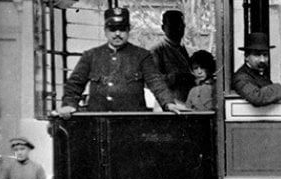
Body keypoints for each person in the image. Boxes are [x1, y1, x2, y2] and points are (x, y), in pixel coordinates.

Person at [58, 7, 186, 117]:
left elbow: (156, 82)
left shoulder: (142, 56)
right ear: (105, 31)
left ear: (128, 29)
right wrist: (69, 105)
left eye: (122, 29)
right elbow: (74, 85)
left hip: (132, 123)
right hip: (99, 122)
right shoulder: (91, 56)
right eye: (113, 29)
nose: (117, 34)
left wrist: (168, 103)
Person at [231, 32, 281, 106]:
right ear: (246, 56)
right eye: (257, 55)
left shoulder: (260, 74)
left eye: (265, 55)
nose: (262, 60)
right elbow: (257, 97)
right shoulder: (241, 77)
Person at [150, 10, 194, 103]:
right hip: (169, 104)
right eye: (173, 25)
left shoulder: (184, 49)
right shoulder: (157, 51)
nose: (178, 29)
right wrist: (178, 77)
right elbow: (154, 81)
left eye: (181, 25)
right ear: (163, 28)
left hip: (187, 102)